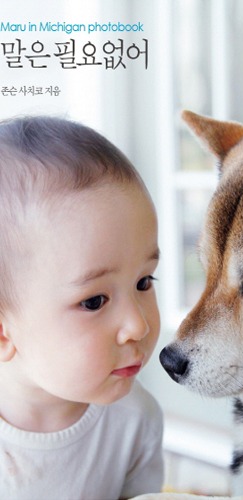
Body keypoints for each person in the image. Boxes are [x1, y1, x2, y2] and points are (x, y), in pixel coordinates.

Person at [0, 115, 164, 499]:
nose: (137, 326)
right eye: (94, 301)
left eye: (144, 281)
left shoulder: (135, 420)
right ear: (4, 331)